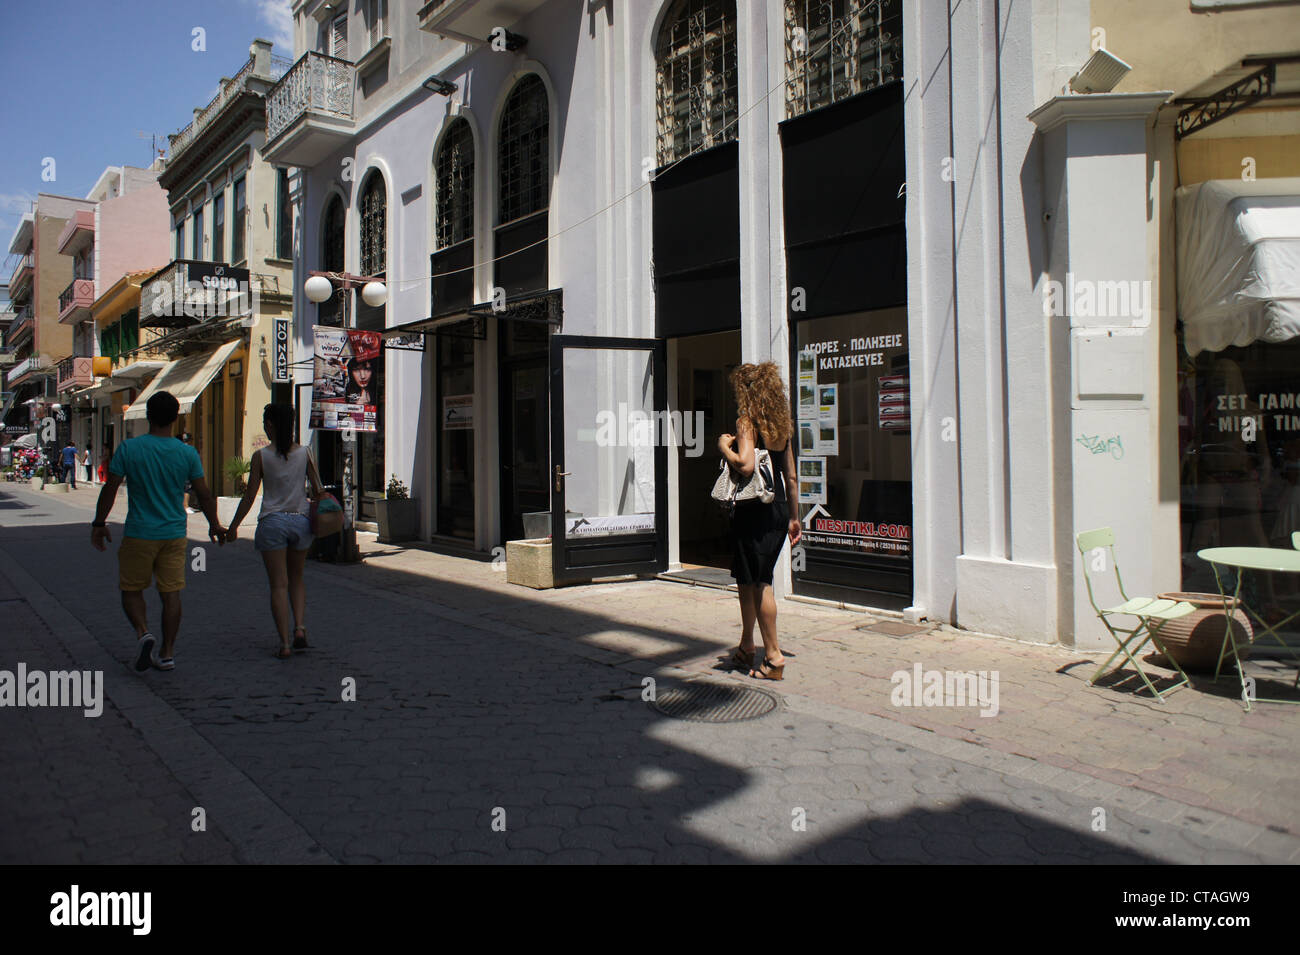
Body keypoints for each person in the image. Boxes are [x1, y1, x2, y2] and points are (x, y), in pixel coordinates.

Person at [90, 391, 225, 672]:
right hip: (174, 534)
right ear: (176, 418)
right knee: (171, 593)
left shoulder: (129, 449)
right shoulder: (187, 453)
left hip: (139, 532)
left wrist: (99, 523)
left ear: (147, 416)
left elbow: (111, 488)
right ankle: (167, 652)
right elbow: (204, 492)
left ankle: (143, 632)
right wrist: (215, 525)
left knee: (131, 589)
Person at [717, 362, 800, 680]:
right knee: (748, 578)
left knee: (760, 582)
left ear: (745, 392)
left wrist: (725, 447)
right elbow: (790, 477)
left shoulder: (746, 422)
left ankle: (774, 657)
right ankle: (746, 647)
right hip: (778, 508)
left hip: (754, 510)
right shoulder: (781, 425)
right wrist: (794, 517)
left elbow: (746, 465)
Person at [226, 403, 324, 660]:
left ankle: (284, 644)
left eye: (264, 422)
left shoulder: (261, 456)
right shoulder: (305, 453)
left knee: (278, 585)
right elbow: (318, 489)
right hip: (301, 522)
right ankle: (300, 628)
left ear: (270, 424)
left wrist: (234, 526)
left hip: (272, 523)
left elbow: (249, 496)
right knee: (297, 579)